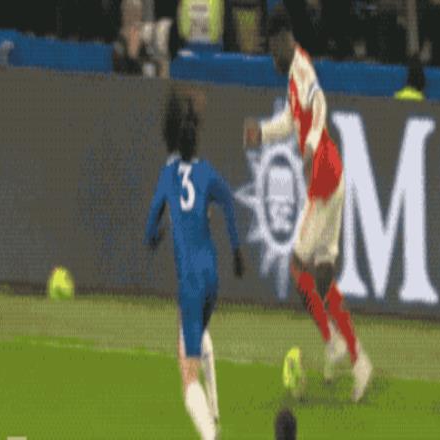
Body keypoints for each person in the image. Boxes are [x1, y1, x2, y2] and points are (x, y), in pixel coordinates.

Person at [243, 3, 372, 403]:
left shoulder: (301, 68)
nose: (271, 55)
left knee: (298, 268)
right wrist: (263, 133)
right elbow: (291, 119)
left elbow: (319, 106)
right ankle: (356, 359)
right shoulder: (293, 74)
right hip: (332, 176)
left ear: (284, 40)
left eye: (272, 47)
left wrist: (313, 144)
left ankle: (335, 344)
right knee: (322, 275)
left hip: (324, 181)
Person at [145, 88, 244, 439]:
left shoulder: (167, 176)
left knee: (187, 373)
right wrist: (237, 251)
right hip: (211, 275)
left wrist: (159, 234)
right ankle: (214, 412)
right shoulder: (205, 173)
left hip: (190, 281)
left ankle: (210, 434)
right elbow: (229, 202)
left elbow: (149, 230)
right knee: (197, 334)